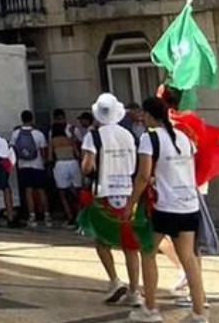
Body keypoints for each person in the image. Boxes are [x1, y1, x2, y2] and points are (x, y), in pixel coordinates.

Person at [130, 97, 207, 323]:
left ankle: (151, 309)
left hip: (166, 206)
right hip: (189, 204)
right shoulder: (184, 138)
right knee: (188, 257)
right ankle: (199, 312)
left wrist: (132, 203)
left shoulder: (149, 139)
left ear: (150, 115)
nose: (142, 118)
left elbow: (143, 176)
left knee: (148, 252)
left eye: (144, 114)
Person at [77, 93, 149, 308]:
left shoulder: (94, 136)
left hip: (103, 194)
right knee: (130, 245)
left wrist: (88, 166)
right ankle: (135, 290)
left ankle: (114, 280)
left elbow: (87, 166)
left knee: (100, 240)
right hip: (128, 192)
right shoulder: (128, 135)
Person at [11, 110, 51, 227]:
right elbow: (43, 151)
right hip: (38, 166)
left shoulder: (16, 133)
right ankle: (47, 216)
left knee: (28, 191)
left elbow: (13, 150)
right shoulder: (38, 134)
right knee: (41, 190)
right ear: (32, 119)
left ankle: (32, 217)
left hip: (23, 166)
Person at [49, 122, 82, 225]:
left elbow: (49, 157)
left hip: (60, 164)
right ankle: (80, 216)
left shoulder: (52, 141)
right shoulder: (70, 140)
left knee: (62, 193)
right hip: (73, 163)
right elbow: (77, 154)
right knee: (77, 192)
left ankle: (70, 217)